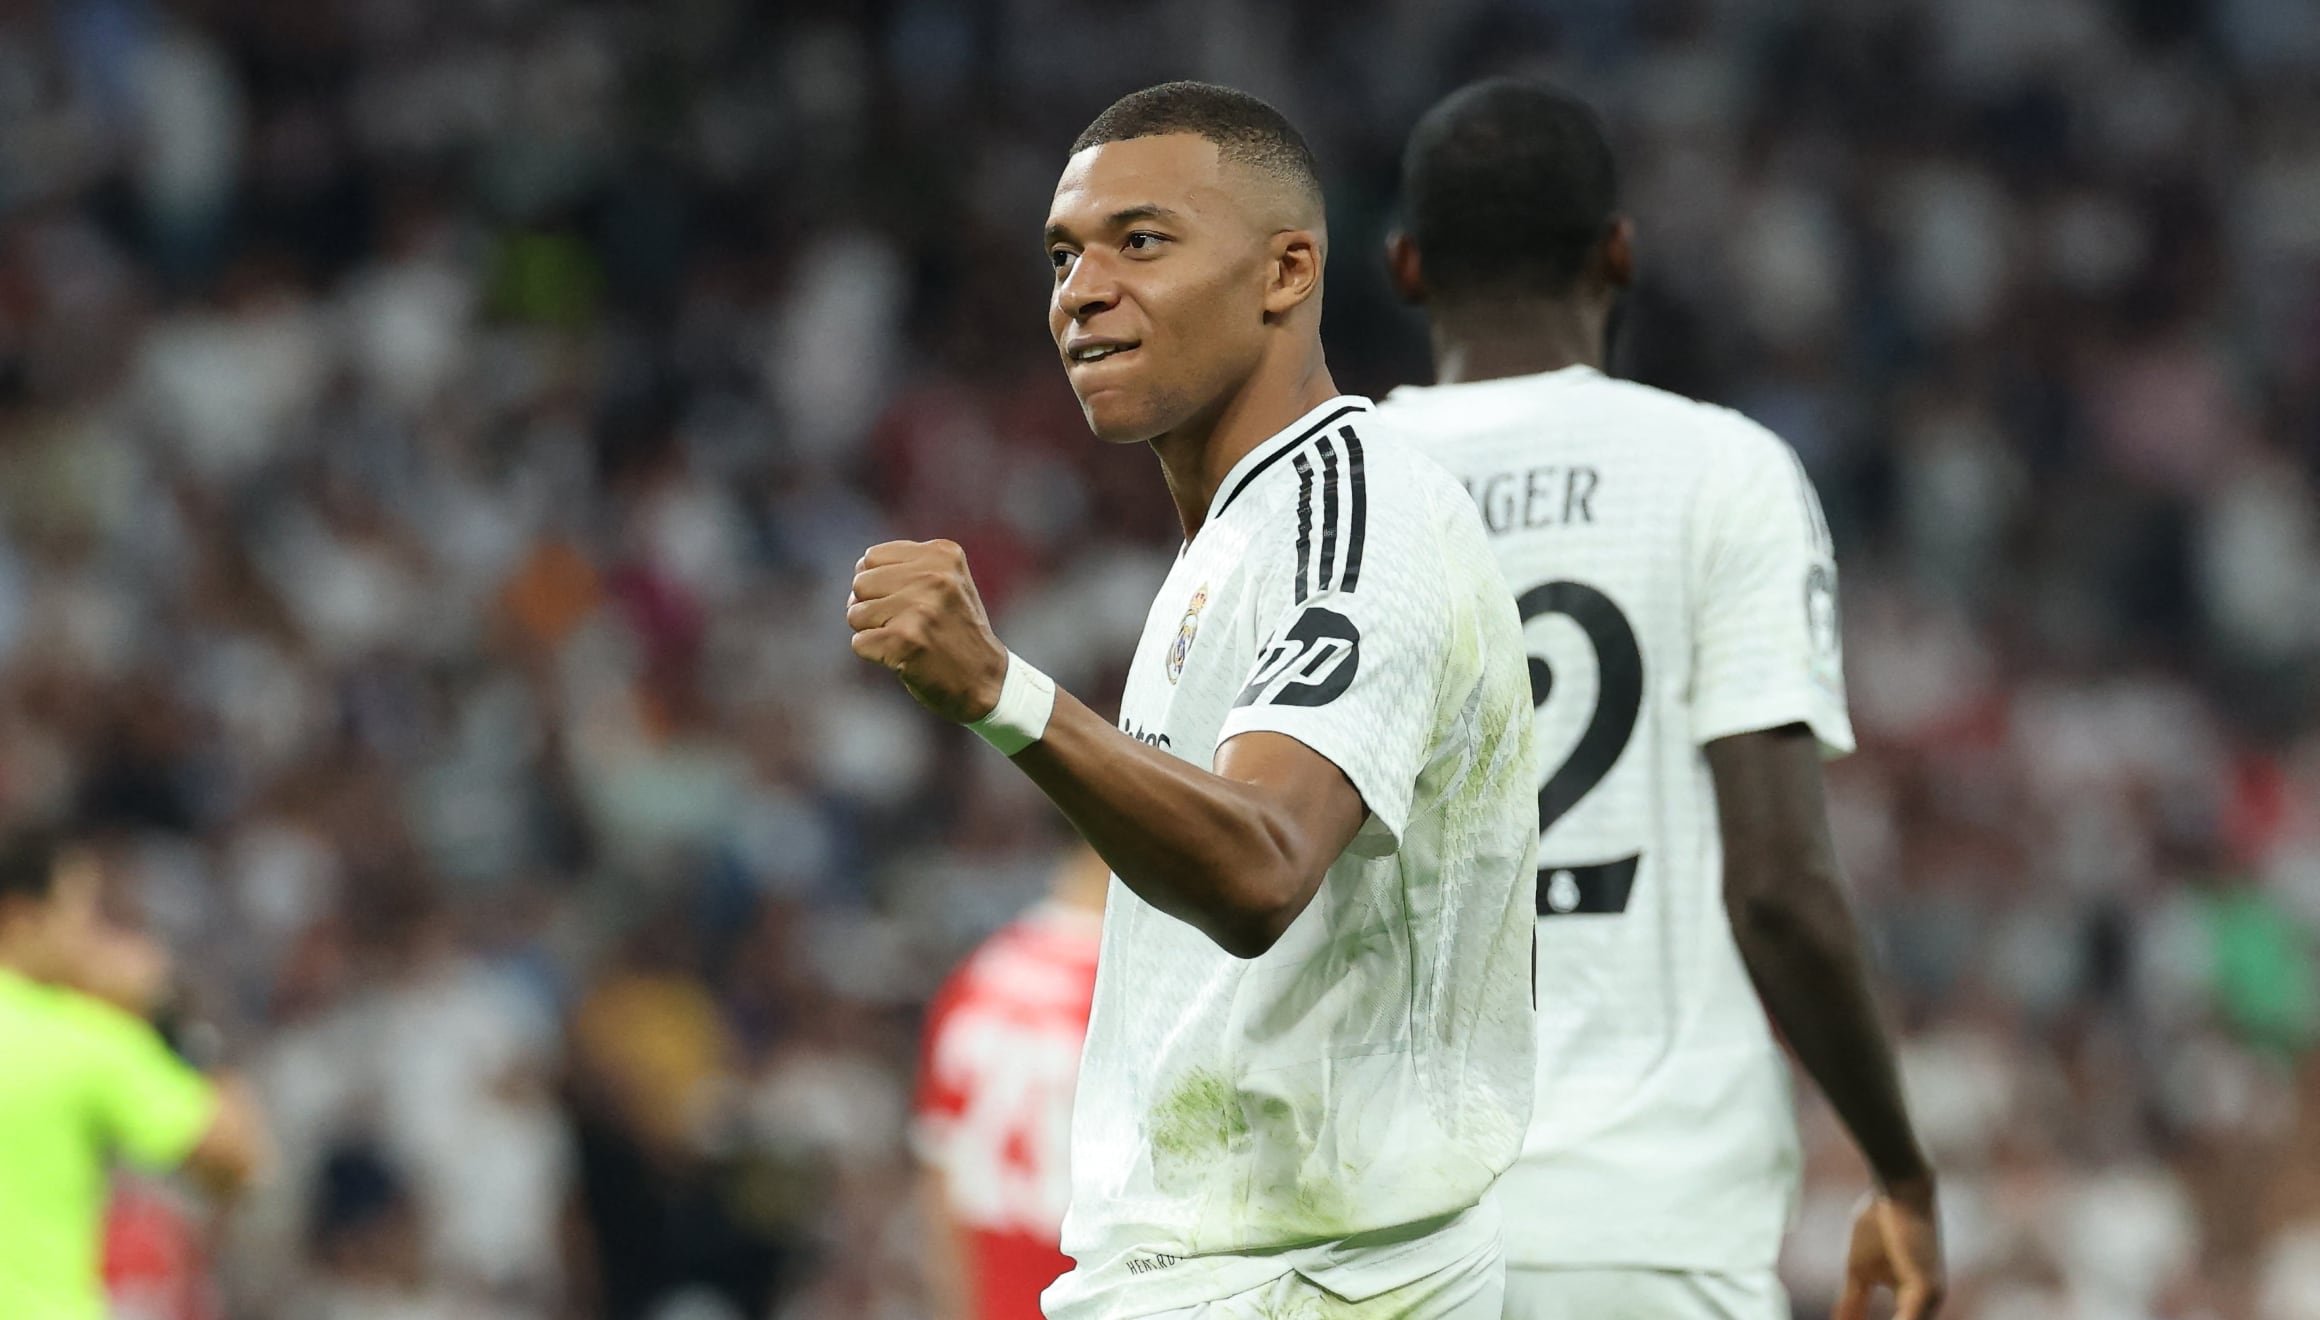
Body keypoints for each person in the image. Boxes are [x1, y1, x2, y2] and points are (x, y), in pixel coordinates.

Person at [846, 81, 1538, 1320]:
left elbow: (1264, 865)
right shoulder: (1246, 534)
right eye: (1063, 255)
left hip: (1307, 1281)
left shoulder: (1350, 514)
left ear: (1285, 272)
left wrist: (1001, 692)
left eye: (1141, 242)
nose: (1081, 290)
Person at [1378, 78, 1945, 1320]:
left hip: (1373, 1234)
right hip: (1641, 1227)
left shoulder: (1331, 491)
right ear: (1619, 254)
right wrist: (1900, 1169)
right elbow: (1780, 891)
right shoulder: (1718, 472)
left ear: (1407, 267)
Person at [0, 828, 269, 1319]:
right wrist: (172, 1018)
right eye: (82, 919)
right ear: (20, 918)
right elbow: (238, 1159)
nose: (95, 944)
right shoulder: (80, 1039)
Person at [915, 843, 1108, 1320]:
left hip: (995, 1296)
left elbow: (939, 1180)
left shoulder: (979, 974)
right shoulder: (1125, 986)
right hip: (1098, 1293)